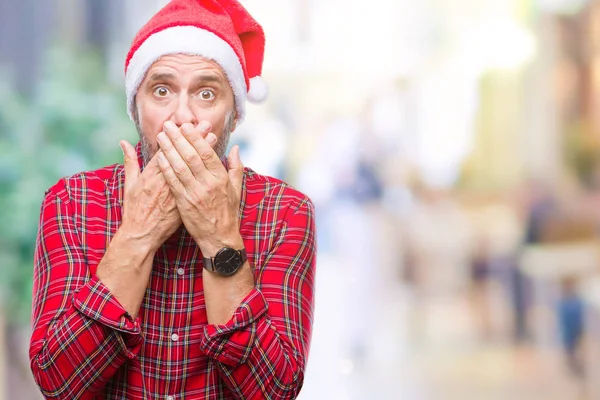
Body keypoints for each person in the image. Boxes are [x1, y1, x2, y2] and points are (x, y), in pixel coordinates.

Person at [28, 1, 317, 399]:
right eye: (161, 90)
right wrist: (138, 235)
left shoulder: (286, 212)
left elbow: (274, 391)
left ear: (234, 114)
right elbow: (59, 384)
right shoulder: (73, 202)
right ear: (136, 108)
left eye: (206, 92)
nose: (181, 117)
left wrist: (220, 239)